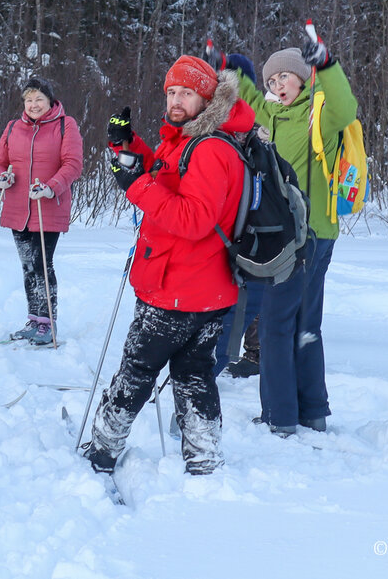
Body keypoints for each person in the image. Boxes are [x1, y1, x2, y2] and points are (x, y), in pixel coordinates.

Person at [85, 56, 254, 477]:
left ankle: (103, 451)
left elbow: (194, 219)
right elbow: (168, 172)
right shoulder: (189, 138)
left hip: (177, 288)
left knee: (138, 369)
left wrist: (134, 185)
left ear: (207, 97)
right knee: (194, 373)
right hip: (203, 289)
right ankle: (203, 457)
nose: (176, 101)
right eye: (172, 92)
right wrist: (128, 146)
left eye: (187, 93)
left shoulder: (211, 148)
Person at [218, 36, 358, 435]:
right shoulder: (271, 114)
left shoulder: (321, 115)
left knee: (280, 324)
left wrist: (326, 65)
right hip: (288, 237)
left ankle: (280, 417)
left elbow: (347, 107)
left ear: (302, 78)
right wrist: (227, 64)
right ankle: (311, 412)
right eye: (273, 78)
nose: (278, 84)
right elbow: (245, 94)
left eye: (285, 76)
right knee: (302, 324)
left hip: (311, 235)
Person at [0, 77, 83, 345]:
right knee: (28, 266)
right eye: (28, 100)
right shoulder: (12, 127)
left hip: (48, 207)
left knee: (42, 264)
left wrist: (51, 187)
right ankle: (34, 320)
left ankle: (48, 323)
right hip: (18, 207)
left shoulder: (66, 125)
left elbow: (73, 164)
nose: (33, 105)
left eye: (39, 99)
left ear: (50, 101)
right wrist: (0, 179)